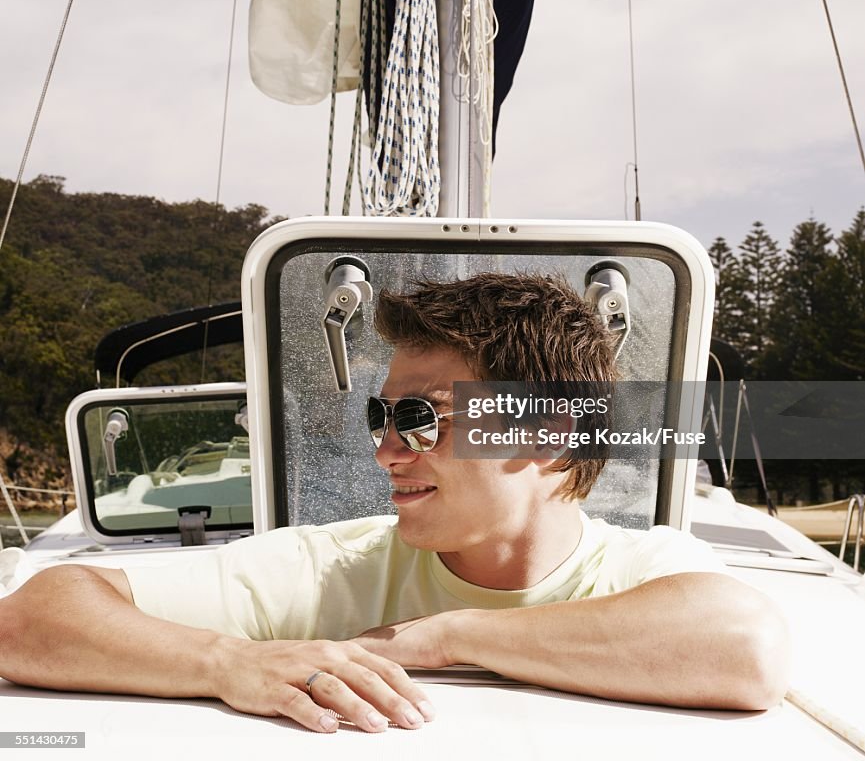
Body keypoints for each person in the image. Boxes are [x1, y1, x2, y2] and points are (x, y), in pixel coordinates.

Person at [0, 273, 789, 734]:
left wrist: (451, 634)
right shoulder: (331, 570)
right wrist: (228, 661)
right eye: (380, 416)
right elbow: (34, 616)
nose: (382, 449)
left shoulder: (645, 569)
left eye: (418, 419)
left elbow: (746, 651)